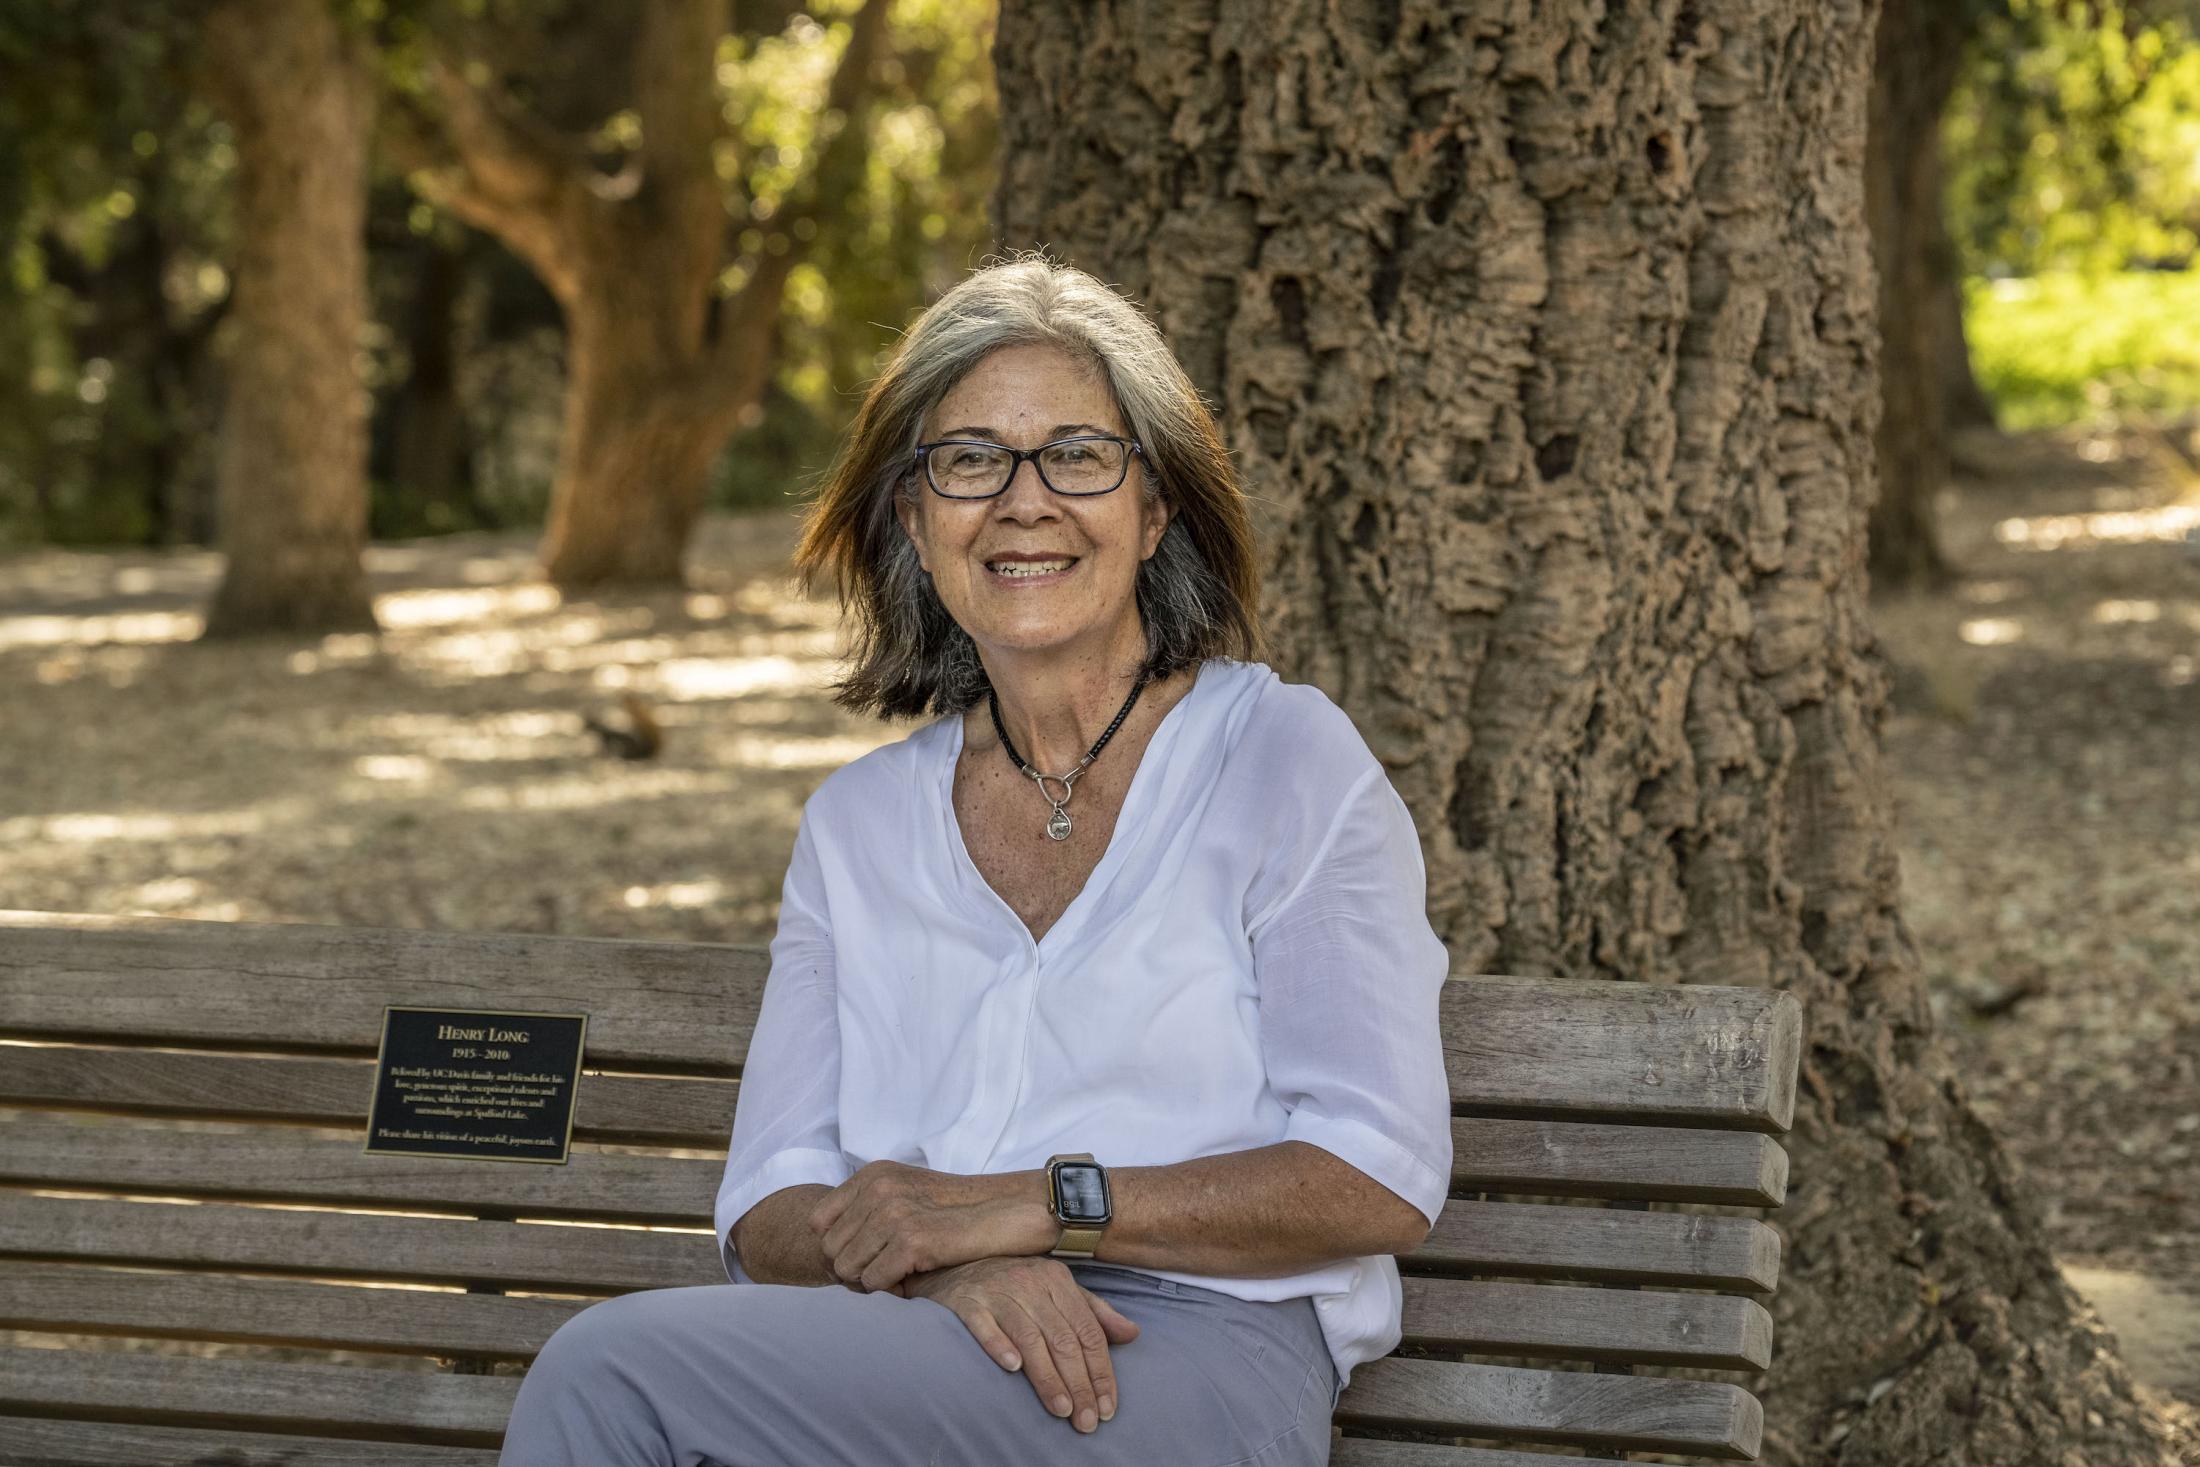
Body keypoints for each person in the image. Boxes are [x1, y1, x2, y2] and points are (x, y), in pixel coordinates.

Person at [496, 256, 1454, 1466]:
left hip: (1200, 1359)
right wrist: (938, 1278)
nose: (1023, 500)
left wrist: (1031, 1212)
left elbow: (1376, 1174)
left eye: (1077, 454)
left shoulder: (1282, 760)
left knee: (610, 1377)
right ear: (913, 518)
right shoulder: (858, 826)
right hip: (919, 1346)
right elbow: (766, 1208)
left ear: (1153, 511)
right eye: (969, 461)